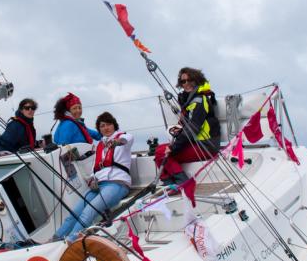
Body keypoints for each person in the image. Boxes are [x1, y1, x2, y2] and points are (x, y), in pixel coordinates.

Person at [53, 112, 134, 241]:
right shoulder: (99, 146)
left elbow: (126, 140)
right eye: (102, 126)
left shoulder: (123, 137)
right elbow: (95, 169)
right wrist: (91, 180)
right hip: (98, 185)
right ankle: (55, 239)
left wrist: (116, 142)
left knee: (88, 212)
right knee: (74, 213)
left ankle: (71, 240)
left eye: (108, 124)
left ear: (114, 125)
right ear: (99, 129)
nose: (106, 128)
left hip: (117, 184)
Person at [154, 67, 220, 186]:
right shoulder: (188, 101)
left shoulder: (199, 100)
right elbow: (184, 123)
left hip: (205, 146)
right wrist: (174, 132)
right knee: (159, 151)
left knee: (161, 153)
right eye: (183, 81)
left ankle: (183, 183)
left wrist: (174, 147)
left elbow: (193, 128)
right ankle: (170, 184)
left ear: (197, 80)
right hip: (194, 144)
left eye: (190, 80)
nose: (187, 83)